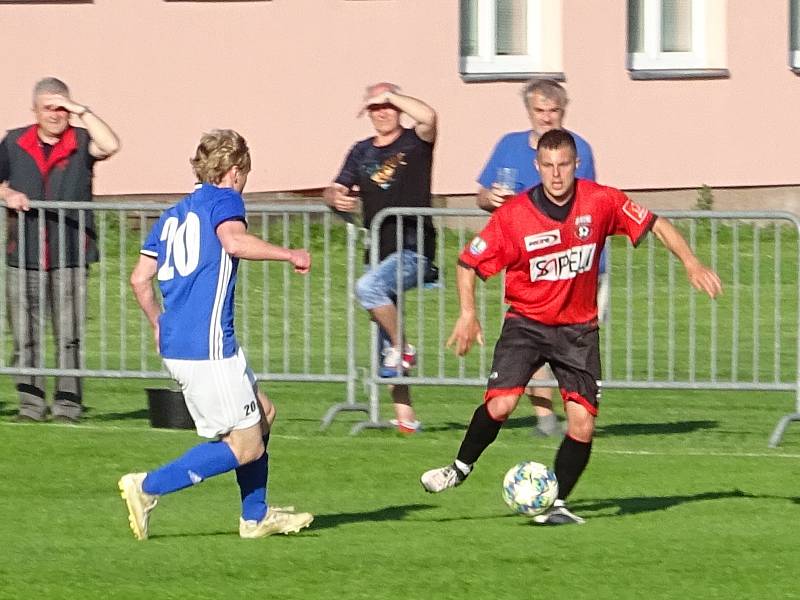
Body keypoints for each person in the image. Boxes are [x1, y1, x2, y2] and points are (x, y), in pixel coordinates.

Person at [420, 130, 722, 525]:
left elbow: (655, 222)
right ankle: (459, 468)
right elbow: (468, 264)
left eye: (563, 165)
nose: (556, 174)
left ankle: (557, 503)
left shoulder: (600, 201)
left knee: (582, 422)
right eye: (548, 166)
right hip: (525, 324)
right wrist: (467, 313)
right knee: (501, 404)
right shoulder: (514, 216)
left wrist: (691, 262)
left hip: (577, 329)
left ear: (576, 164)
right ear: (537, 166)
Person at [119, 129, 314, 540]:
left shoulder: (172, 215)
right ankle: (147, 486)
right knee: (245, 446)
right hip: (207, 347)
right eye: (246, 173)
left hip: (184, 342)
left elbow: (140, 279)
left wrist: (157, 322)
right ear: (234, 170)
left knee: (264, 415)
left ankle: (255, 516)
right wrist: (289, 254)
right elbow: (234, 241)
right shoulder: (225, 199)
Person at [476, 78, 600, 438]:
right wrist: (492, 199)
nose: (546, 118)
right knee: (532, 342)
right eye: (539, 110)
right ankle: (547, 419)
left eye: (553, 111)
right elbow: (482, 194)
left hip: (575, 268)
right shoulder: (509, 145)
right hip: (526, 267)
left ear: (564, 111)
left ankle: (575, 419)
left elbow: (586, 204)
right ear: (528, 112)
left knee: (569, 348)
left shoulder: (580, 150)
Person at [0, 77, 120, 422]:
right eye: (49, 108)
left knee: (69, 337)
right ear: (35, 110)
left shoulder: (81, 140)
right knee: (25, 337)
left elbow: (111, 144)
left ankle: (68, 406)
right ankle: (30, 406)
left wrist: (83, 111)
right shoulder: (13, 142)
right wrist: (7, 195)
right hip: (22, 253)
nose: (56, 115)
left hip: (70, 254)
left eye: (62, 107)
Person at [324, 82, 437, 434]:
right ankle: (405, 418)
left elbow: (429, 116)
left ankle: (404, 348)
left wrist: (390, 95)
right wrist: (335, 198)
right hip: (378, 249)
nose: (383, 112)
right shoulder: (360, 151)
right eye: (375, 108)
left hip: (414, 248)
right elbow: (336, 186)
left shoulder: (415, 142)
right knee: (383, 341)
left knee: (368, 289)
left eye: (388, 106)